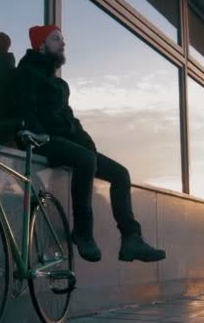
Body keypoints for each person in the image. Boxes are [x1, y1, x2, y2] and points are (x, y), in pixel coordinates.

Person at [14, 25, 166, 263]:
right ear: (40, 45)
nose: (63, 43)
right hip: (40, 140)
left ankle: (131, 239)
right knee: (86, 159)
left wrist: (88, 143)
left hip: (65, 142)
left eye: (63, 39)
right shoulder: (26, 73)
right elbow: (25, 108)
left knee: (120, 173)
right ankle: (82, 231)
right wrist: (39, 135)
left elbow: (71, 119)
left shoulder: (58, 84)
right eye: (56, 39)